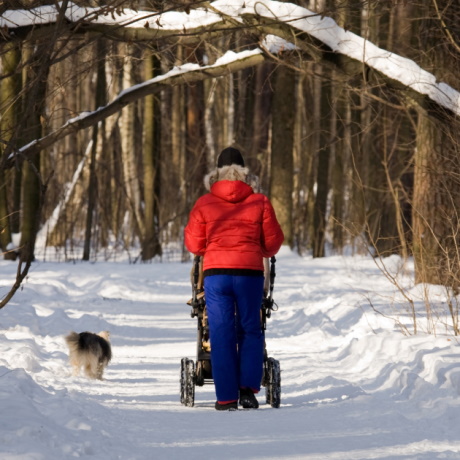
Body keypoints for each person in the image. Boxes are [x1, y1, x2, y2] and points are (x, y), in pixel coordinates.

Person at [184, 147, 284, 411]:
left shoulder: (204, 204)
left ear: (216, 174)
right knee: (250, 329)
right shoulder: (260, 202)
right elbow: (273, 244)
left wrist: (214, 247)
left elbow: (194, 244)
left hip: (216, 276)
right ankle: (248, 391)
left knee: (220, 332)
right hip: (249, 274)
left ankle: (226, 397)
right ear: (245, 173)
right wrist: (256, 250)